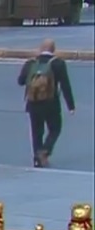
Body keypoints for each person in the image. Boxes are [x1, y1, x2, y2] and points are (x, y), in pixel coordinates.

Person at [17, 39, 75, 168]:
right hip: (51, 103)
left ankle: (36, 159)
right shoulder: (58, 64)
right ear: (53, 49)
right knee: (55, 129)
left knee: (36, 132)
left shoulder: (31, 63)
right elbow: (65, 85)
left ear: (40, 48)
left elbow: (20, 81)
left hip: (33, 103)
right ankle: (45, 150)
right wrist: (71, 106)